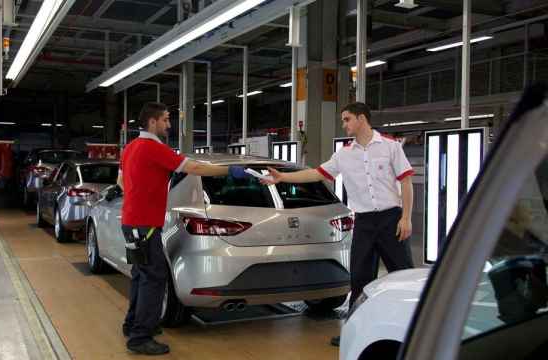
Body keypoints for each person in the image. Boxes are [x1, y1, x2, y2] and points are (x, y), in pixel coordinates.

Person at [261, 102, 415, 346]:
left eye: (347, 119)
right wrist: (282, 177)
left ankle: (414, 329)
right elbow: (317, 174)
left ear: (362, 118)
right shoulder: (344, 154)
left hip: (391, 219)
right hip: (364, 222)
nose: (343, 124)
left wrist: (405, 217)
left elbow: (406, 183)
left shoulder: (390, 147)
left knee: (404, 276)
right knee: (360, 280)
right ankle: (354, 332)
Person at [118, 102, 250, 355]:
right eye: (166, 120)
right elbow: (195, 168)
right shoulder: (154, 147)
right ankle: (140, 337)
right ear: (153, 122)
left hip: (132, 222)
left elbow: (121, 181)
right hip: (145, 224)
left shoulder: (130, 147)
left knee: (141, 274)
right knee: (154, 278)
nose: (169, 124)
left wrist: (139, 200)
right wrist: (229, 171)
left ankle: (133, 325)